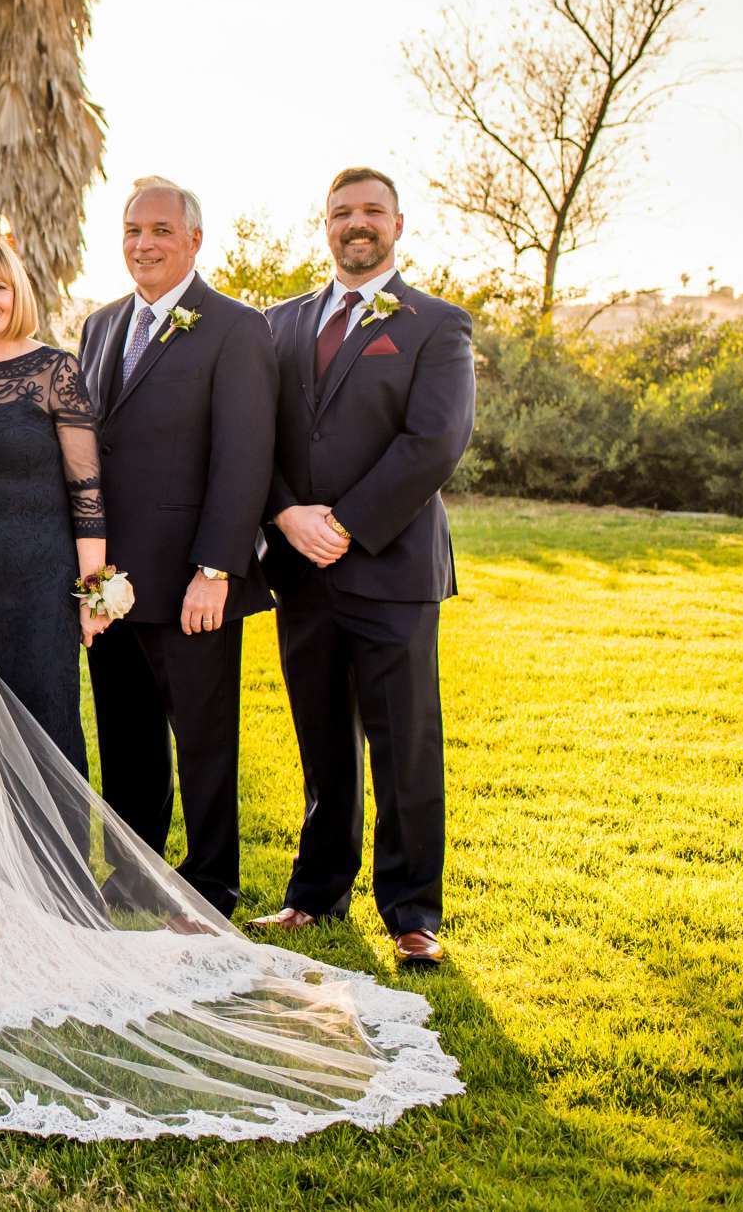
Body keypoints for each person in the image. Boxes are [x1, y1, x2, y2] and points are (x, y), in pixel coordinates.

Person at [0, 217, 462, 1138]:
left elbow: (74, 481)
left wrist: (94, 579)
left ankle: (71, 887)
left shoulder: (41, 365)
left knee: (37, 720)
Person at [253, 167, 475, 968]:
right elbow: (256, 439)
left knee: (404, 744)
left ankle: (412, 913)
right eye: (342, 212)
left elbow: (435, 442)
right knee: (322, 744)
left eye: (372, 212)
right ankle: (314, 897)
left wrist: (346, 524)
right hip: (301, 570)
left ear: (398, 225)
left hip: (393, 566)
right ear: (325, 225)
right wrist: (284, 512)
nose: (357, 224)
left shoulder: (435, 325)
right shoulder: (276, 326)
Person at [75, 177, 278, 916]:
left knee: (203, 742)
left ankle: (211, 883)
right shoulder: (98, 327)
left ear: (194, 239)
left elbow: (245, 456)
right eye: (132, 230)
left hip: (193, 577)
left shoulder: (235, 327)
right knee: (127, 743)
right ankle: (132, 872)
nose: (143, 244)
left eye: (160, 230)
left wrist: (217, 569)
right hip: (114, 582)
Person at [0, 230, 108, 776]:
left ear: (19, 296)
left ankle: (55, 860)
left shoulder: (55, 371)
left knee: (48, 720)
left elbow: (87, 491)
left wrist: (94, 592)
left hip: (42, 585)